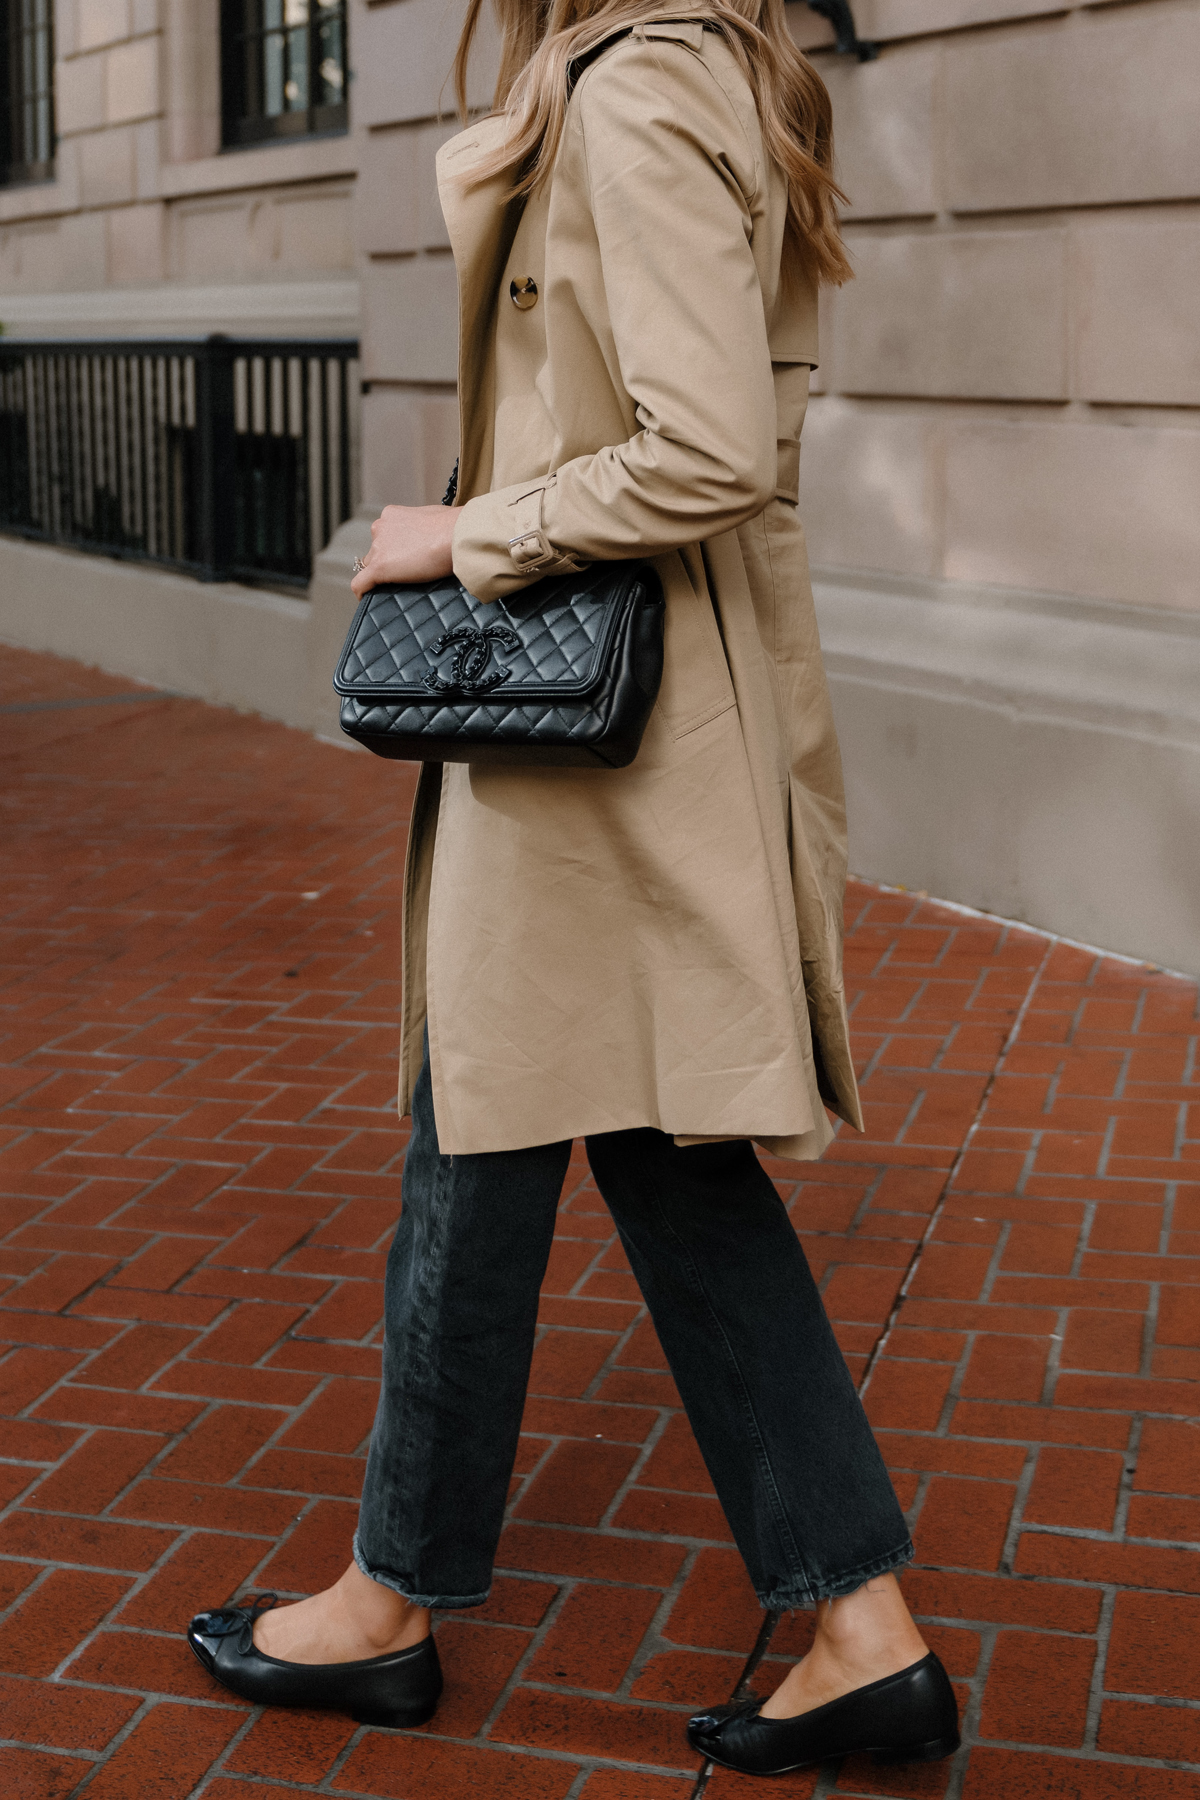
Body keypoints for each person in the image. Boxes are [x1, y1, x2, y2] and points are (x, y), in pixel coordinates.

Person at [187, 0, 960, 1775]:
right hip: (638, 727)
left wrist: (461, 535)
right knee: (660, 1153)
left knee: (479, 1121)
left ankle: (389, 1601)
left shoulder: (642, 83)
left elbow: (704, 450)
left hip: (602, 742)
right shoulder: (690, 73)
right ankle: (863, 1625)